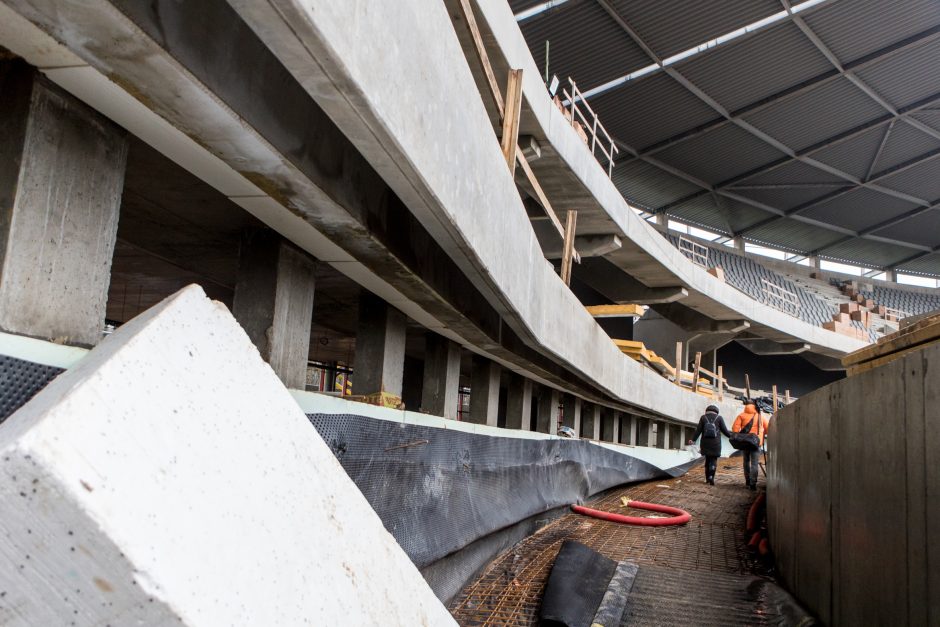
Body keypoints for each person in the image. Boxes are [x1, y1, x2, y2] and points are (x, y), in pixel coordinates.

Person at [688, 404, 732, 485]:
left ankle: (707, 479)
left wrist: (693, 439)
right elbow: (725, 431)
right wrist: (732, 437)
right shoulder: (719, 418)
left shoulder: (703, 417)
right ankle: (711, 477)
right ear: (716, 411)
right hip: (716, 443)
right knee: (713, 460)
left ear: (707, 410)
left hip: (705, 442)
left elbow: (698, 430)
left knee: (707, 460)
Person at [732, 401, 770, 490]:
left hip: (745, 442)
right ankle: (753, 484)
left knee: (746, 461)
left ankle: (747, 481)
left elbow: (735, 429)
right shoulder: (761, 416)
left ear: (746, 406)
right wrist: (760, 433)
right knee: (754, 463)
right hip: (756, 443)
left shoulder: (741, 415)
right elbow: (768, 429)